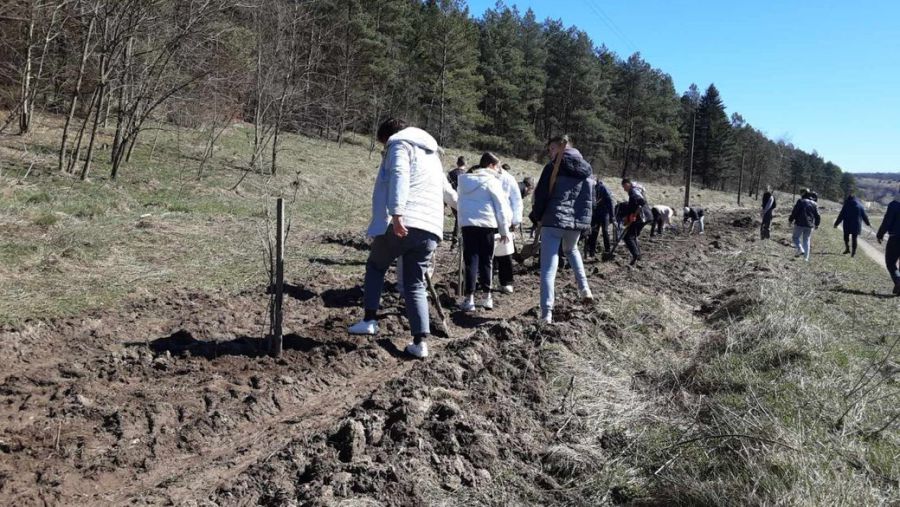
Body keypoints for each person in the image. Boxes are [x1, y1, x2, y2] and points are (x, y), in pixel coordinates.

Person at [348, 118, 457, 360]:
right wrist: (464, 212)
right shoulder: (432, 155)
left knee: (376, 266)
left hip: (405, 221)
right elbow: (448, 192)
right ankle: (420, 343)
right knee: (414, 284)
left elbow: (399, 175)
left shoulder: (400, 144)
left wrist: (397, 213)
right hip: (430, 228)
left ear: (389, 136)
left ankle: (369, 320)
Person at [529, 135, 594, 324]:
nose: (549, 153)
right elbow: (589, 200)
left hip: (554, 219)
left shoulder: (553, 167)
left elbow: (541, 194)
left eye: (551, 149)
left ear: (560, 148)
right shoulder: (587, 170)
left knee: (548, 268)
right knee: (572, 250)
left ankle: (546, 313)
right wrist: (586, 223)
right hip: (576, 222)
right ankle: (584, 288)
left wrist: (537, 216)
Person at [457, 152, 511, 311]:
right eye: (498, 166)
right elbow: (500, 207)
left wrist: (461, 225)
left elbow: (460, 204)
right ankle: (487, 297)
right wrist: (504, 230)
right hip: (487, 224)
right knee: (486, 260)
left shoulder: (464, 181)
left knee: (470, 260)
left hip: (468, 225)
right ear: (491, 165)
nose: (499, 170)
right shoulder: (492, 182)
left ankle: (469, 299)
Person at [494, 163, 523, 293]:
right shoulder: (484, 177)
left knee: (505, 253)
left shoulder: (508, 179)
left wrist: (515, 221)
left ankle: (507, 282)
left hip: (505, 221)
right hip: (488, 220)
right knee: (491, 253)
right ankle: (489, 279)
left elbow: (516, 201)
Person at [876, 185, 900, 295]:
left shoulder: (894, 205)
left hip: (896, 238)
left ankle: (898, 281)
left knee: (890, 262)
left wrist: (880, 234)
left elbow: (887, 221)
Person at [620, 179, 651, 266]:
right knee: (633, 236)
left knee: (627, 237)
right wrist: (630, 216)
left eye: (624, 186)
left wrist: (634, 215)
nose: (624, 189)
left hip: (642, 217)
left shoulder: (634, 192)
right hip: (645, 216)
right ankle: (638, 255)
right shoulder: (635, 192)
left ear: (628, 184)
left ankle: (635, 255)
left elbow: (641, 202)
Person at [788, 191, 821, 262]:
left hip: (799, 223)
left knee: (795, 237)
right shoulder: (814, 204)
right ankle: (806, 258)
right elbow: (818, 216)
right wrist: (817, 224)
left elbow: (795, 212)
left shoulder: (800, 201)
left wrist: (790, 220)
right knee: (806, 240)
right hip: (809, 224)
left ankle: (800, 249)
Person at [586, 178, 615, 258]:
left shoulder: (603, 188)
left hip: (604, 213)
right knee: (594, 232)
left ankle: (607, 250)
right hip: (595, 213)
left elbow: (610, 202)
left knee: (605, 231)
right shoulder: (590, 188)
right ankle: (591, 252)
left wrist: (612, 216)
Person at [447, 156, 466, 250]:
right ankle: (456, 242)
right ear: (465, 164)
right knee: (459, 219)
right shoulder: (466, 175)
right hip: (462, 199)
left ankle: (455, 242)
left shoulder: (450, 173)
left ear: (457, 163)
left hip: (451, 198)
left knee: (458, 219)